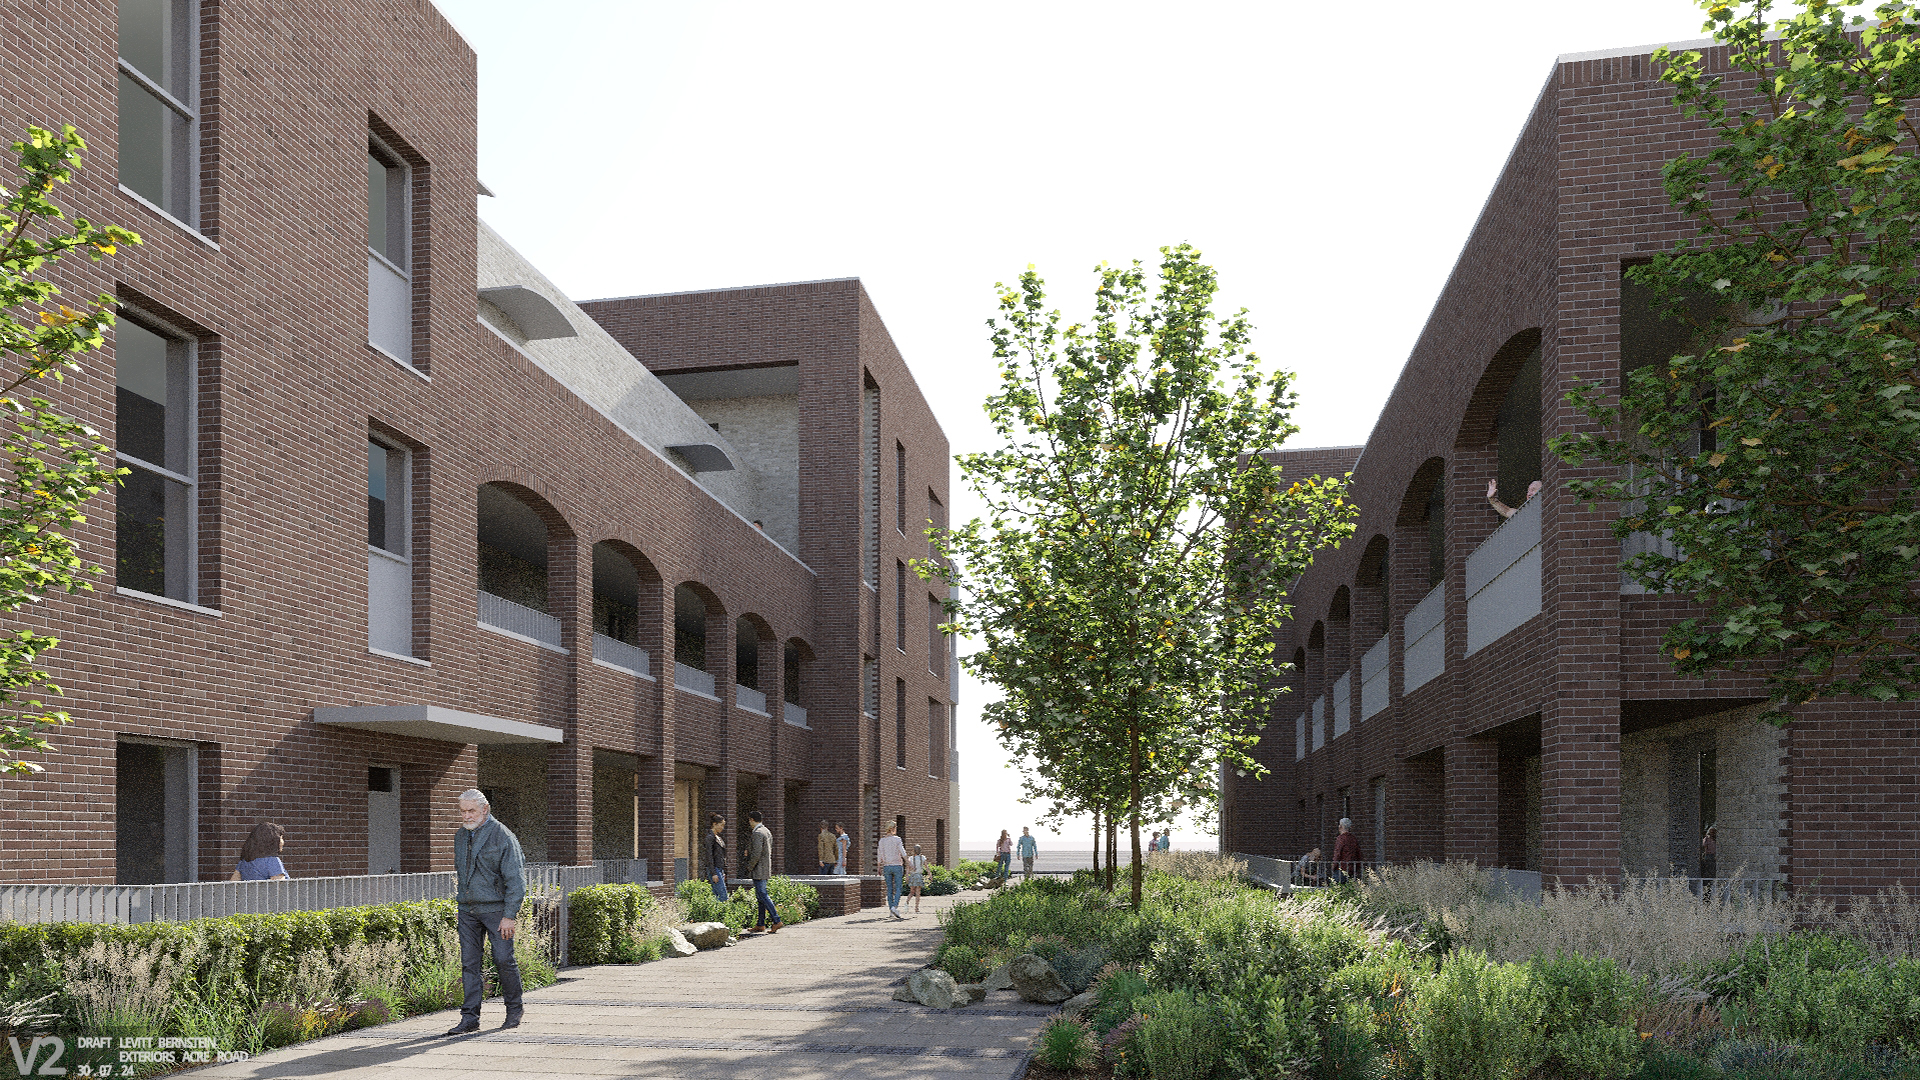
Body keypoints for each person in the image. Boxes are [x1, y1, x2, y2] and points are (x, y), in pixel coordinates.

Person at [447, 789, 525, 1035]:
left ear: (485, 809)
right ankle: (470, 1018)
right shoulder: (461, 835)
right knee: (469, 964)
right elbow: (463, 875)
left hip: (497, 912)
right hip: (469, 911)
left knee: (503, 960)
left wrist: (509, 915)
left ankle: (514, 1010)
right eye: (463, 811)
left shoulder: (502, 836)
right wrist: (462, 904)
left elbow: (516, 880)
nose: (466, 816)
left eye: (471, 811)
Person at [742, 810, 782, 935]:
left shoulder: (758, 833)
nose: (749, 823)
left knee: (762, 894)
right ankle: (760, 924)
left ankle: (776, 920)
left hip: (759, 869)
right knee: (760, 897)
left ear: (752, 820)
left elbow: (757, 853)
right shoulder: (767, 831)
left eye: (749, 820)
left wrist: (749, 866)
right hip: (765, 868)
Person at [877, 822, 909, 918]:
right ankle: (894, 907)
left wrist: (878, 866)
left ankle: (891, 910)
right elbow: (902, 852)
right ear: (892, 828)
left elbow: (879, 854)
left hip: (886, 866)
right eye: (896, 827)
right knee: (898, 887)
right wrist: (908, 862)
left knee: (889, 889)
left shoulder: (882, 841)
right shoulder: (897, 839)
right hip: (897, 866)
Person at [703, 813, 729, 902]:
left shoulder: (718, 837)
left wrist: (723, 871)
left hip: (719, 869)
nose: (722, 828)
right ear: (714, 824)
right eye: (721, 825)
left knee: (717, 895)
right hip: (715, 869)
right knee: (723, 896)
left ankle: (715, 914)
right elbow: (709, 856)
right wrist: (713, 873)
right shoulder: (710, 838)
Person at [1332, 818, 1362, 883]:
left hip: (1341, 868)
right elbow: (1358, 854)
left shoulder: (1341, 838)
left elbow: (1338, 853)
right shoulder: (1353, 838)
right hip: (1352, 868)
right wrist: (1357, 867)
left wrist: (1333, 865)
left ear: (1340, 826)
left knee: (1338, 889)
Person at [906, 844, 929, 915]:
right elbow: (927, 867)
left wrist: (907, 876)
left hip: (912, 876)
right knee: (918, 893)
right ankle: (916, 908)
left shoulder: (910, 858)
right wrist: (930, 874)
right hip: (919, 876)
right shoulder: (923, 858)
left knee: (912, 892)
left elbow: (908, 868)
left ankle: (906, 903)